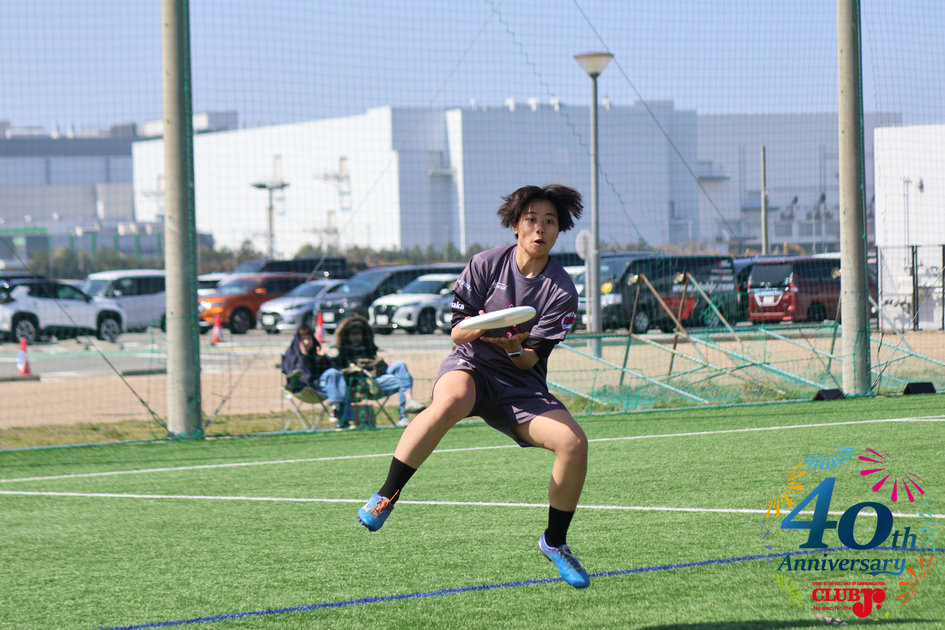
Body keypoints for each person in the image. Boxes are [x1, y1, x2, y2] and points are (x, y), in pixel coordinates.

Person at [356, 184, 591, 588]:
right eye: (531, 219)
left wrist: (514, 347)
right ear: (515, 224)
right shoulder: (485, 264)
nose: (540, 229)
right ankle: (386, 495)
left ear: (559, 230)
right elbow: (457, 333)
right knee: (451, 401)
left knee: (574, 443)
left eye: (550, 222)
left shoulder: (562, 291)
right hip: (471, 365)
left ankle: (555, 542)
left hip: (520, 385)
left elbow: (531, 359)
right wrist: (480, 328)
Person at [335, 315, 426, 427]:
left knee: (400, 366)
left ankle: (407, 406)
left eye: (359, 334)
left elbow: (382, 368)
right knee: (405, 381)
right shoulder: (341, 352)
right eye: (353, 334)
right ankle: (405, 409)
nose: (356, 337)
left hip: (378, 381)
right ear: (347, 336)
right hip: (361, 386)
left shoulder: (369, 348)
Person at [282, 324, 352, 429]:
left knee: (335, 374)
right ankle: (341, 417)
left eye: (309, 339)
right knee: (336, 383)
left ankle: (336, 408)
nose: (307, 342)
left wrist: (321, 358)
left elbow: (331, 368)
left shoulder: (317, 351)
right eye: (304, 339)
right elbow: (300, 375)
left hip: (322, 387)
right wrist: (304, 357)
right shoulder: (292, 354)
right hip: (303, 388)